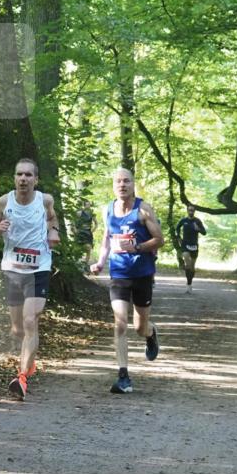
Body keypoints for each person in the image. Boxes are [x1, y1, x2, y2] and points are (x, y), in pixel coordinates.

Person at [0, 158, 60, 400]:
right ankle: (31, 360)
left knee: (29, 320)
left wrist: (53, 232)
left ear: (36, 179)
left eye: (28, 175)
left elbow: (52, 219)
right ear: (14, 178)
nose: (23, 179)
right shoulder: (4, 202)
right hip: (13, 269)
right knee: (18, 329)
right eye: (19, 175)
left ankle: (22, 377)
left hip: (39, 268)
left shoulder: (45, 200)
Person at [90, 168, 164, 394]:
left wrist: (138, 247)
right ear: (113, 185)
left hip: (142, 274)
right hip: (119, 274)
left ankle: (151, 335)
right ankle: (123, 376)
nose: (122, 185)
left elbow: (159, 239)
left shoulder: (143, 209)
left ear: (133, 185)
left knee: (140, 327)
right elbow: (106, 239)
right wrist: (100, 262)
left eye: (126, 181)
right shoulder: (108, 210)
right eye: (118, 182)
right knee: (120, 322)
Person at [175, 204, 207, 293]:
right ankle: (188, 286)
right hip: (185, 245)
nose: (191, 212)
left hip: (194, 245)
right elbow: (177, 229)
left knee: (192, 267)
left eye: (192, 210)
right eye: (189, 210)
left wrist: (198, 229)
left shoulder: (197, 221)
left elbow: (204, 232)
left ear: (194, 211)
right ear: (187, 211)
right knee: (187, 263)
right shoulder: (183, 220)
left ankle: (190, 283)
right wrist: (178, 237)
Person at [75, 200, 97, 267]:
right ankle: (77, 264)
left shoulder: (92, 214)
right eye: (86, 204)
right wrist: (75, 231)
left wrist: (92, 231)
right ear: (83, 205)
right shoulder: (79, 213)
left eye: (89, 204)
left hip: (88, 233)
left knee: (88, 248)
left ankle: (85, 265)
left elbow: (96, 224)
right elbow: (74, 222)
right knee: (77, 249)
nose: (88, 206)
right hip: (80, 233)